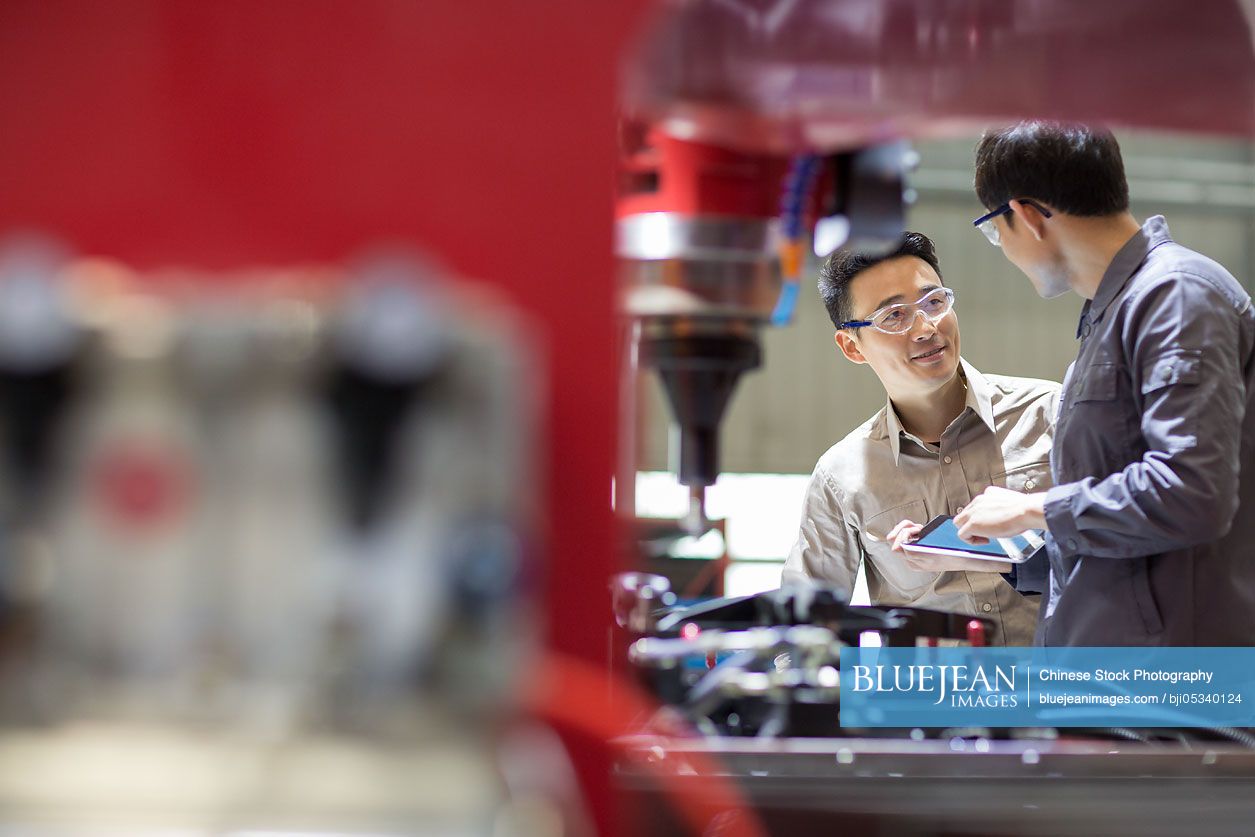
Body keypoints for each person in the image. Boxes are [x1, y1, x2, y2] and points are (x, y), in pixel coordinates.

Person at [952, 121, 1255, 646]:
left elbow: (1190, 493)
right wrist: (1007, 544)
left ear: (1025, 215)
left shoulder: (1177, 297)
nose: (1001, 244)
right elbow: (1135, 536)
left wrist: (1035, 508)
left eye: (993, 228)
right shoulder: (1115, 315)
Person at [782, 231, 1058, 646]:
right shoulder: (842, 476)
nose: (926, 327)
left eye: (934, 302)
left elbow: (1126, 543)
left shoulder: (1051, 413)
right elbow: (807, 625)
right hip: (934, 705)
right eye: (894, 316)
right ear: (852, 346)